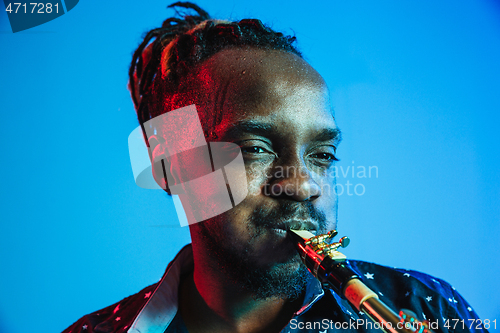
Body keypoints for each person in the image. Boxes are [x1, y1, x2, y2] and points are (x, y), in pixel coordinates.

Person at [63, 3, 487, 333]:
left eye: (322, 155)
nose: (303, 184)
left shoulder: (430, 307)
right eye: (255, 148)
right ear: (169, 165)